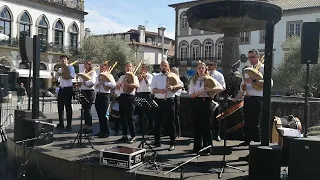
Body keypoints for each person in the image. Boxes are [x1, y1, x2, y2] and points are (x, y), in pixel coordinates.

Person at [233, 49, 271, 146]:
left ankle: (256, 145)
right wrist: (238, 96)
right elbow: (243, 86)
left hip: (258, 98)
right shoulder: (247, 70)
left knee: (255, 124)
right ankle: (247, 141)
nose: (250, 59)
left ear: (258, 57)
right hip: (248, 98)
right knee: (247, 122)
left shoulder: (263, 68)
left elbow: (269, 84)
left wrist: (253, 81)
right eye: (249, 57)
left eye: (253, 57)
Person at [151, 60, 184, 151]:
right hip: (158, 101)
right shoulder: (156, 77)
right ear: (160, 67)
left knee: (171, 123)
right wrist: (160, 91)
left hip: (169, 100)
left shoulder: (173, 76)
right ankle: (157, 142)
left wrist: (173, 87)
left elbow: (181, 85)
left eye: (165, 65)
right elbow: (152, 89)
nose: (163, 67)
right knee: (157, 122)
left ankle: (172, 143)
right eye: (162, 65)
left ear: (168, 66)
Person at [116, 62, 139, 143]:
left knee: (130, 117)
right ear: (124, 68)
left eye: (130, 66)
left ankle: (133, 136)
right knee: (122, 117)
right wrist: (118, 86)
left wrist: (128, 84)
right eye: (126, 66)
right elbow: (117, 86)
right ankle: (124, 135)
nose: (128, 68)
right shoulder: (122, 77)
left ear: (132, 68)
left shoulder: (134, 76)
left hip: (130, 97)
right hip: (122, 97)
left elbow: (136, 86)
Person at [94, 62, 116, 138]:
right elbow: (95, 86)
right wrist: (97, 84)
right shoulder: (98, 76)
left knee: (104, 114)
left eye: (103, 67)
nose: (101, 68)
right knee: (99, 114)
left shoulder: (109, 75)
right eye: (100, 67)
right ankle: (101, 131)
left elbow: (113, 85)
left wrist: (104, 83)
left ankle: (106, 132)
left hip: (105, 95)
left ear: (106, 68)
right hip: (98, 95)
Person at [54, 55, 75, 130]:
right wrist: (55, 75)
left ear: (67, 60)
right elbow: (56, 78)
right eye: (61, 59)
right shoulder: (60, 69)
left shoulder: (71, 68)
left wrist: (61, 74)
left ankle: (69, 124)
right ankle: (61, 123)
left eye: (64, 59)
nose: (63, 60)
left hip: (68, 89)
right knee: (60, 107)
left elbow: (71, 76)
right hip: (61, 89)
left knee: (68, 107)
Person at [208, 61, 226, 142]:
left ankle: (217, 134)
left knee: (216, 116)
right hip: (206, 96)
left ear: (215, 66)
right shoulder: (205, 74)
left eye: (211, 65)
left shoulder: (219, 75)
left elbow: (223, 87)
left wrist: (214, 91)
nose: (209, 67)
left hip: (215, 96)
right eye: (208, 65)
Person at [78, 60, 97, 134]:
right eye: (84, 65)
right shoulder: (84, 72)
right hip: (83, 91)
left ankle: (89, 127)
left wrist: (84, 82)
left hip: (89, 92)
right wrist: (80, 84)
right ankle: (86, 126)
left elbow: (92, 82)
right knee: (84, 110)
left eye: (86, 65)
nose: (85, 66)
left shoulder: (93, 72)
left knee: (88, 110)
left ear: (89, 65)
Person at [136, 64, 153, 135]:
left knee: (148, 113)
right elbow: (137, 85)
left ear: (147, 69)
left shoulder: (150, 76)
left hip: (147, 94)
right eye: (141, 68)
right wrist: (139, 79)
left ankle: (150, 128)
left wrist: (145, 78)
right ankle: (141, 128)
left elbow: (149, 84)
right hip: (139, 94)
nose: (142, 69)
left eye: (143, 68)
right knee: (140, 113)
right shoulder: (139, 76)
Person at [171, 67, 181, 138]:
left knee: (176, 116)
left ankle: (178, 132)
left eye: (174, 72)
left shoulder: (178, 80)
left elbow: (178, 90)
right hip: (171, 98)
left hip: (176, 97)